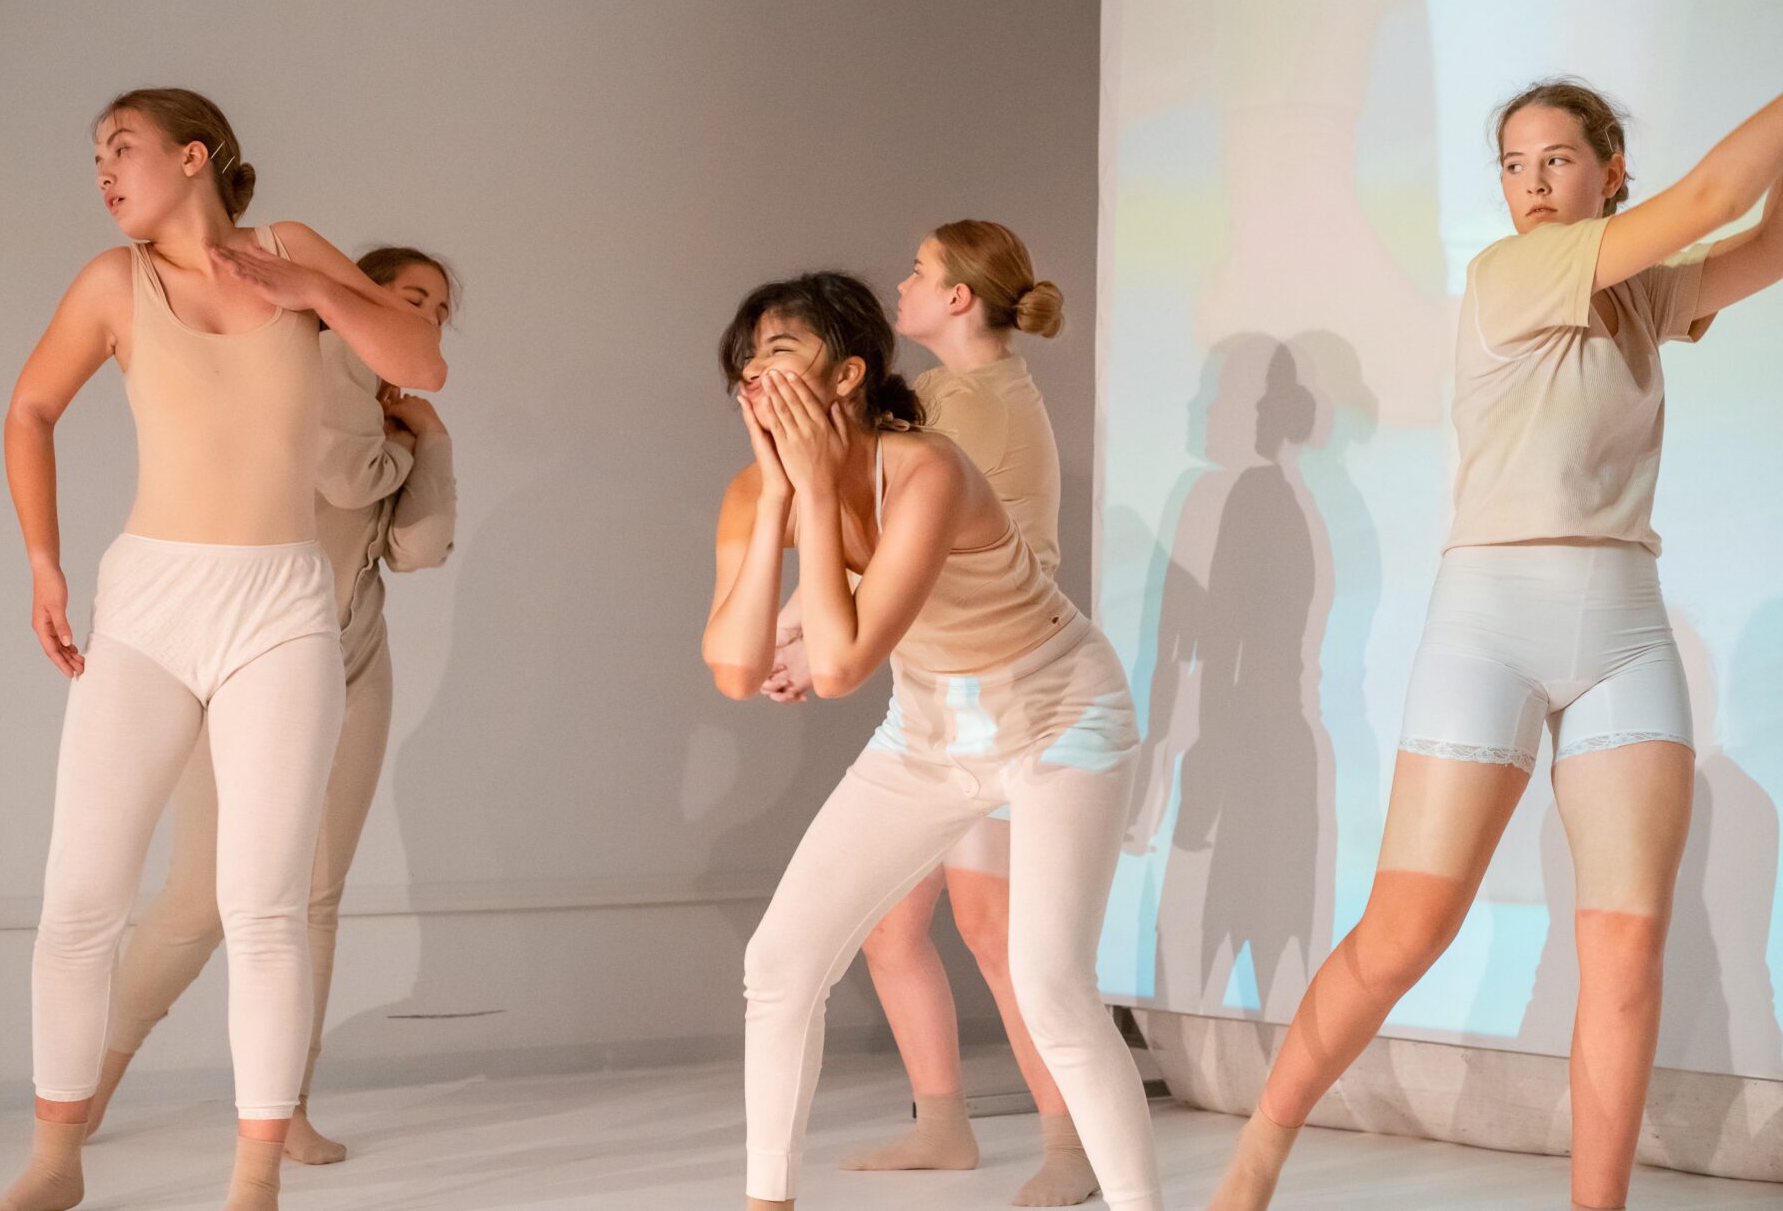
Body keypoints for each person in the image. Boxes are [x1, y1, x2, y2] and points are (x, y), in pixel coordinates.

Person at [1208, 79, 1783, 1211]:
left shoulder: (1642, 289)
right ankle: (1259, 1152)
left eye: (1559, 159)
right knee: (1406, 928)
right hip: (1489, 621)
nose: (1533, 184)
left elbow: (1764, 243)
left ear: (1611, 171)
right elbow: (1717, 197)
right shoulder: (1511, 273)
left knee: (1628, 950)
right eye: (1514, 165)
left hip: (1626, 623)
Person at [0, 88, 444, 1211]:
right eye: (96, 156)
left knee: (264, 905)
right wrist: (44, 565)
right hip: (150, 602)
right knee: (80, 897)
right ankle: (54, 1161)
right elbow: (30, 410)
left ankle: (252, 1180)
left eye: (121, 147)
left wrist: (311, 290)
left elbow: (422, 363)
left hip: (282, 606)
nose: (103, 170)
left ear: (194, 156)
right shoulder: (115, 281)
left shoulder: (290, 250)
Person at [703, 271, 1161, 1211]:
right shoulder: (754, 492)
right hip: (927, 733)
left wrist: (813, 494)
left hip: (1060, 717)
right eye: (746, 359)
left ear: (848, 374)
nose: (755, 372)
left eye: (780, 350)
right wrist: (781, 495)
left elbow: (839, 665)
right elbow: (737, 670)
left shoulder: (928, 470)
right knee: (778, 963)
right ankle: (766, 1203)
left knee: (1051, 985)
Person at [85, 246, 461, 1167]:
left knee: (313, 900)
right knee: (198, 900)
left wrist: (434, 441)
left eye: (441, 310)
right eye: (413, 296)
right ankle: (83, 1084)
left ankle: (285, 1105)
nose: (427, 317)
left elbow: (416, 550)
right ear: (360, 292)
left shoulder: (392, 408)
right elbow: (342, 477)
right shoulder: (317, 357)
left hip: (354, 657)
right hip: (250, 658)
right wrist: (410, 438)